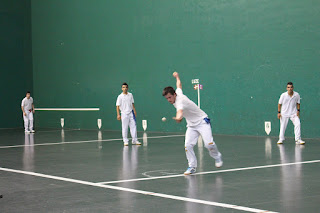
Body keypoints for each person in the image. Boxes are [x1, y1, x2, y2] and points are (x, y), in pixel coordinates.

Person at [163, 72, 223, 175]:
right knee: (188, 145)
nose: (169, 100)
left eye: (170, 97)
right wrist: (177, 77)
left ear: (174, 95)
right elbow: (179, 85)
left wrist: (178, 118)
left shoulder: (179, 102)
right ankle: (192, 166)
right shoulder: (178, 93)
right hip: (191, 125)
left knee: (208, 144)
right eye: (167, 98)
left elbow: (180, 112)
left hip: (202, 122)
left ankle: (217, 157)